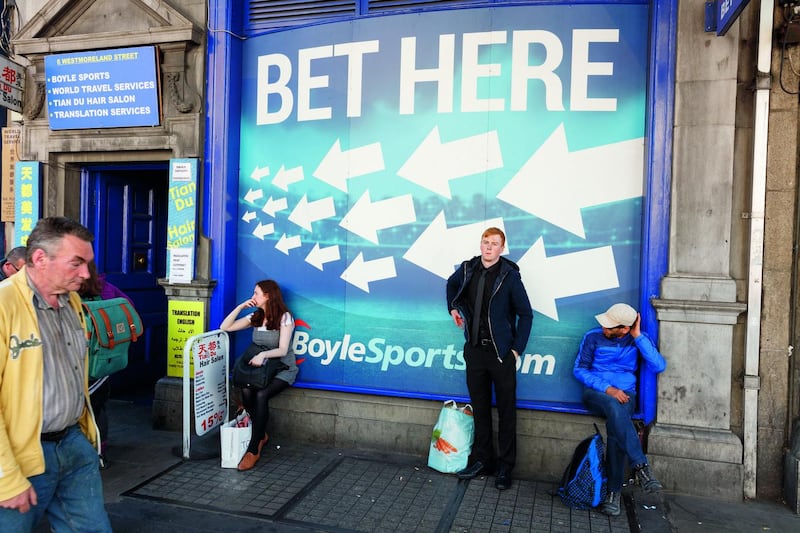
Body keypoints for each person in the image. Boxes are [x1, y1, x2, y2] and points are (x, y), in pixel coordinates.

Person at [0, 217, 111, 531]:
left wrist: (87, 440)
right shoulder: (4, 305)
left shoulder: (71, 301)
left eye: (87, 263)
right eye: (76, 263)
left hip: (74, 445)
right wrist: (5, 478)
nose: (86, 274)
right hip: (22, 456)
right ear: (39, 259)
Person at [446, 227, 533, 490]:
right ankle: (483, 460)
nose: (488, 247)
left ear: (502, 248)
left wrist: (516, 350)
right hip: (475, 352)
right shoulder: (468, 269)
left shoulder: (509, 276)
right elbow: (450, 286)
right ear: (481, 244)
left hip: (500, 355)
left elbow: (526, 315)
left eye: (494, 244)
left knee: (506, 412)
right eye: (485, 242)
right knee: (480, 408)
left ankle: (505, 467)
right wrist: (452, 307)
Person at [573, 302, 666, 516]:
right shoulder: (592, 337)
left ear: (624, 329)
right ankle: (641, 467)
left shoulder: (637, 340)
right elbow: (579, 370)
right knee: (615, 408)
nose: (604, 329)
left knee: (616, 429)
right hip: (597, 393)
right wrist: (608, 389)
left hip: (626, 396)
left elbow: (659, 365)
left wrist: (638, 336)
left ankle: (613, 493)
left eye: (610, 327)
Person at [220, 279, 298, 471]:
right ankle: (262, 434)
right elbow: (225, 327)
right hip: (260, 371)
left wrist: (262, 354)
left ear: (268, 296)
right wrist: (240, 307)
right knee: (247, 392)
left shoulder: (284, 317)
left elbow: (282, 350)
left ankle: (254, 449)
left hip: (282, 368)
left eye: (256, 293)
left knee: (261, 395)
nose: (253, 296)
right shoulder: (256, 316)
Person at [79, 260, 135, 468]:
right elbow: (129, 308)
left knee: (81, 411)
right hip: (105, 361)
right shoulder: (107, 288)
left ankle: (85, 453)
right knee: (99, 408)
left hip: (81, 363)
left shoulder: (69, 295)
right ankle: (100, 452)